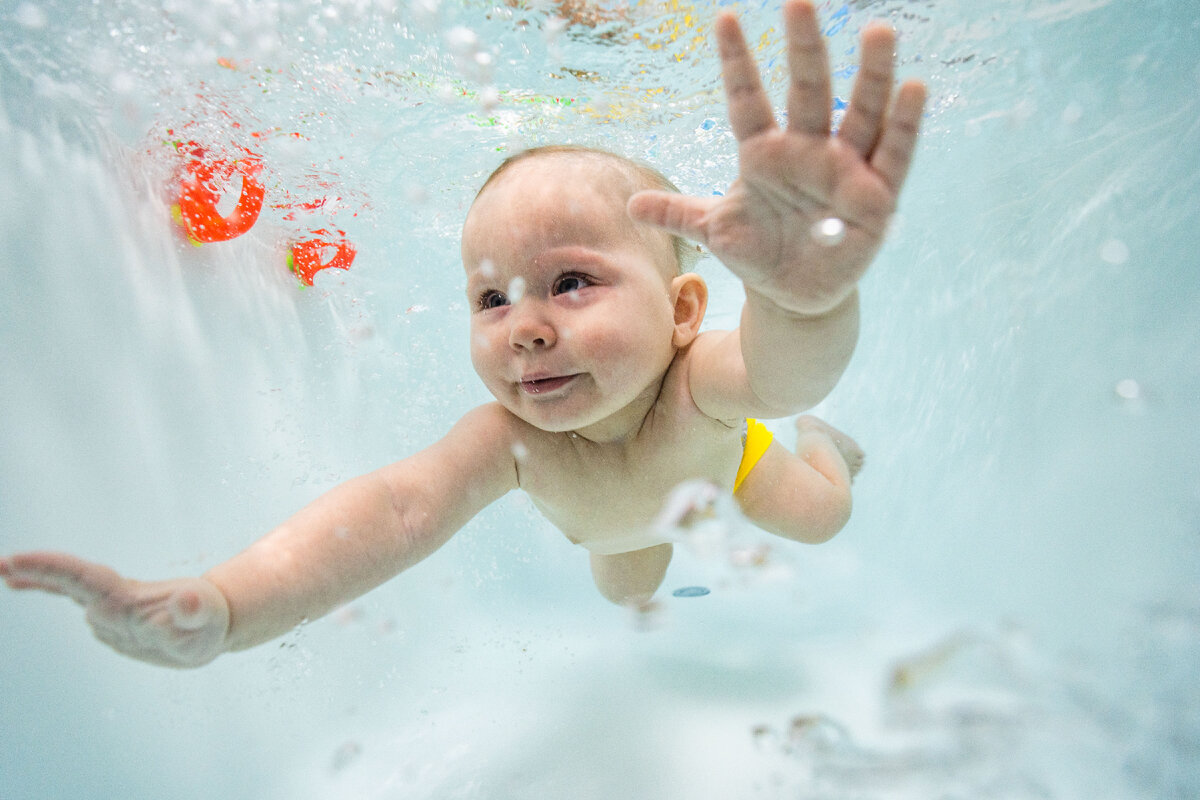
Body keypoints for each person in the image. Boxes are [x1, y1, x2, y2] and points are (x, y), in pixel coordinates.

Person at [0, 0, 925, 668]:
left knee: (821, 515)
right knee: (628, 589)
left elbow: (779, 373)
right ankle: (653, 548)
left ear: (683, 313)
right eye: (490, 301)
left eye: (571, 283)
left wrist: (804, 300)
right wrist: (231, 606)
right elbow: (397, 512)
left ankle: (827, 451)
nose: (524, 329)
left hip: (734, 460)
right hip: (622, 522)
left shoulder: (698, 382)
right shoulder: (508, 438)